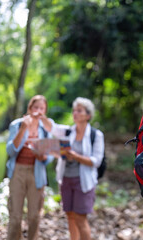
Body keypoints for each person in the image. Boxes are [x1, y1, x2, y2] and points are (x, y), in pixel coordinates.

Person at [43, 97, 104, 240]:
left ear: (88, 115)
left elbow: (96, 161)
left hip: (84, 182)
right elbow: (51, 127)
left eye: (79, 110)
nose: (75, 113)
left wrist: (75, 156)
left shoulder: (96, 135)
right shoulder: (68, 132)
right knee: (70, 216)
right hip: (66, 180)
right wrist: (41, 116)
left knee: (80, 218)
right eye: (74, 110)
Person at [6, 95, 54, 240]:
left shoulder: (47, 127)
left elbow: (51, 155)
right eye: (35, 107)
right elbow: (10, 151)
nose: (38, 111)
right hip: (18, 172)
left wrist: (43, 156)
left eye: (42, 108)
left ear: (45, 110)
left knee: (34, 216)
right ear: (29, 108)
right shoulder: (17, 124)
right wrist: (23, 129)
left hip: (37, 173)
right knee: (15, 217)